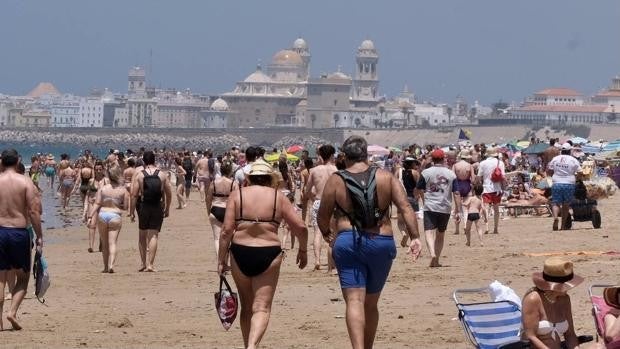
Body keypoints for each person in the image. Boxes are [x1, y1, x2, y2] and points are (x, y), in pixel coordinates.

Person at [317, 136, 422, 349]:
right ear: (366, 154)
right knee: (371, 304)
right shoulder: (385, 177)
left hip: (348, 241)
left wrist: (326, 233)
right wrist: (415, 237)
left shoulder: (336, 180)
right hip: (381, 241)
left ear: (344, 156)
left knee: (354, 301)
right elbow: (405, 207)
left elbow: (323, 214)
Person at [218, 159, 308, 349]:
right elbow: (300, 227)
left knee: (246, 306)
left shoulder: (237, 195)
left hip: (240, 251)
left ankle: (247, 346)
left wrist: (221, 260)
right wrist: (303, 250)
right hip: (269, 252)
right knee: (261, 307)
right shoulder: (278, 197)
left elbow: (226, 231)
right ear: (270, 179)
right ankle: (252, 346)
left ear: (249, 178)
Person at [0, 149, 43, 330]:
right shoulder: (26, 182)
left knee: (0, 277)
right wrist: (39, 235)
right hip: (18, 232)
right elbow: (34, 211)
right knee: (23, 278)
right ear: (18, 160)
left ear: (2, 162)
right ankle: (12, 312)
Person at [522, 257, 583, 349]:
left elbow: (570, 334)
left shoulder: (565, 299)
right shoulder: (533, 299)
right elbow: (531, 336)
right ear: (555, 286)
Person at [416, 148, 461, 267]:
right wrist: (458, 210)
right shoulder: (451, 174)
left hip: (430, 206)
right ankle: (437, 258)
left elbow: (419, 188)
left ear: (432, 159)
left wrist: (423, 198)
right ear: (443, 159)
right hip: (445, 207)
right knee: (440, 234)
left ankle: (432, 254)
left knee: (428, 232)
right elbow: (456, 193)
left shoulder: (426, 173)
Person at [130, 151, 172, 272]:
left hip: (144, 206)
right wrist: (167, 208)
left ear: (144, 161)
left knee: (142, 235)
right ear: (154, 160)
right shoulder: (162, 175)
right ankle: (150, 265)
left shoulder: (140, 175)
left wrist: (132, 211)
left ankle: (143, 263)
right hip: (157, 205)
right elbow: (169, 193)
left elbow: (134, 195)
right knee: (153, 235)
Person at [88, 166, 129, 273]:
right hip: (115, 215)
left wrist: (90, 216)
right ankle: (111, 265)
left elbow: (97, 204)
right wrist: (118, 205)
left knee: (104, 243)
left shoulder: (103, 189)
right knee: (113, 243)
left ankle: (105, 267)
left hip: (102, 215)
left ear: (109, 176)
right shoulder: (123, 190)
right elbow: (125, 207)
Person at [304, 144, 337, 270]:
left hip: (318, 202)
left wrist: (314, 198)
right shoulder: (336, 170)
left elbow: (307, 191)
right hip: (332, 203)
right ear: (331, 155)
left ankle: (317, 260)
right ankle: (331, 265)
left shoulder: (314, 171)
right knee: (332, 233)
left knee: (318, 233)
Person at [205, 159, 236, 259]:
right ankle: (227, 260)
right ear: (230, 170)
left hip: (216, 209)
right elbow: (238, 199)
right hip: (229, 211)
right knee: (230, 238)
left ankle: (220, 262)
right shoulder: (233, 183)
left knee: (217, 238)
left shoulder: (214, 182)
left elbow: (208, 199)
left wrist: (208, 211)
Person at [547, 143, 582, 231]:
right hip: (569, 183)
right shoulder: (573, 160)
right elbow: (580, 172)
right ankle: (562, 226)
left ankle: (555, 218)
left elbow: (549, 170)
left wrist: (554, 176)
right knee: (565, 205)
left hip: (557, 183)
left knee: (555, 203)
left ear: (561, 151)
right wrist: (577, 178)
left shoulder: (555, 159)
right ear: (570, 151)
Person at [477, 147, 505, 234]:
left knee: (486, 208)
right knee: (496, 209)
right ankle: (496, 228)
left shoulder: (483, 163)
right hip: (497, 188)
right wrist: (503, 187)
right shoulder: (500, 163)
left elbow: (479, 177)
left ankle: (487, 227)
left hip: (486, 188)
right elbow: (503, 176)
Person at [396, 157, 421, 247]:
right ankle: (412, 239)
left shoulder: (398, 172)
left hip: (401, 199)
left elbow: (394, 185)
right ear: (412, 164)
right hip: (412, 198)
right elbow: (420, 188)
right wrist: (421, 198)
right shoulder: (415, 173)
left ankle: (404, 234)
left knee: (400, 221)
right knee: (411, 220)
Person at [452, 149, 475, 235]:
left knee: (457, 208)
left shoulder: (455, 165)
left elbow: (452, 177)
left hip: (457, 185)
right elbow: (472, 179)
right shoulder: (469, 166)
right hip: (466, 185)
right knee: (466, 208)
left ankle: (457, 229)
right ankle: (465, 225)